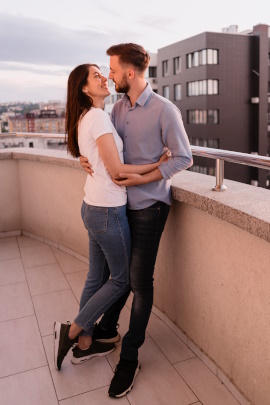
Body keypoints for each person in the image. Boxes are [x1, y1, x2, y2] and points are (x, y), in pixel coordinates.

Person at [79, 43, 193, 397]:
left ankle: (129, 356)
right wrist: (85, 161)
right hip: (119, 205)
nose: (109, 75)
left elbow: (184, 158)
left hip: (150, 207)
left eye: (112, 70)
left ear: (130, 73)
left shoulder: (165, 110)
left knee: (140, 281)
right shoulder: (116, 109)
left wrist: (145, 178)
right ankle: (107, 332)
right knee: (121, 277)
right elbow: (108, 152)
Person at [53, 63, 169, 371]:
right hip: (107, 212)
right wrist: (156, 167)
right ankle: (73, 331)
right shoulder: (100, 117)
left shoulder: (85, 117)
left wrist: (83, 158)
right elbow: (118, 172)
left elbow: (97, 157)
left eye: (103, 72)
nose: (104, 77)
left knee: (96, 277)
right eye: (95, 75)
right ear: (84, 88)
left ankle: (86, 344)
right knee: (120, 280)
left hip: (92, 206)